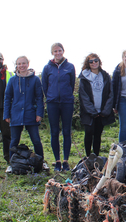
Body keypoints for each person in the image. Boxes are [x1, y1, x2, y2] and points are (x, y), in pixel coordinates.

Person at [4, 56, 45, 170]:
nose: (21, 66)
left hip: (31, 113)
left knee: (36, 140)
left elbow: (39, 97)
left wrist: (39, 113)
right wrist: (6, 114)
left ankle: (41, 161)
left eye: (24, 63)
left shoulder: (35, 79)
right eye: (19, 64)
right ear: (16, 65)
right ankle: (12, 164)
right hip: (15, 114)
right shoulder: (12, 80)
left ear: (28, 64)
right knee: (14, 141)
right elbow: (7, 98)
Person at [42, 43, 76, 172]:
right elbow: (44, 85)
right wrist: (50, 97)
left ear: (63, 51)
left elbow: (72, 84)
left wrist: (67, 95)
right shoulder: (47, 68)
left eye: (59, 50)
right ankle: (57, 161)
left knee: (67, 131)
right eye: (55, 51)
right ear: (52, 53)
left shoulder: (70, 67)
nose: (58, 53)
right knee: (54, 132)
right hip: (52, 103)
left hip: (67, 102)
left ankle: (66, 161)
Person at [78, 53, 115, 156]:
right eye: (91, 61)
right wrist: (92, 111)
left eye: (96, 61)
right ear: (88, 63)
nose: (94, 63)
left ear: (99, 62)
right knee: (89, 132)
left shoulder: (105, 75)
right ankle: (88, 156)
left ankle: (96, 156)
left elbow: (110, 93)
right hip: (89, 112)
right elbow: (83, 96)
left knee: (98, 134)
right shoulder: (84, 77)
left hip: (101, 112)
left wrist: (106, 110)